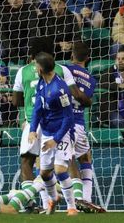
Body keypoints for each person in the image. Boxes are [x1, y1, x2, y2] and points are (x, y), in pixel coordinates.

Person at [12, 37, 91, 210]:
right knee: (68, 162)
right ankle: (78, 199)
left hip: (33, 120)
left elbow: (15, 101)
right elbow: (75, 94)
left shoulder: (22, 71)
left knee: (27, 162)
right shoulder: (62, 70)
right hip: (57, 121)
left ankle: (35, 204)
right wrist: (88, 101)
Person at [29, 52, 77, 216]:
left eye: (36, 65)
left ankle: (72, 207)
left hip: (62, 133)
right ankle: (53, 198)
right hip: (47, 133)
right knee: (44, 173)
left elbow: (69, 118)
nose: (35, 67)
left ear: (41, 68)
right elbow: (37, 109)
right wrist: (32, 130)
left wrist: (56, 140)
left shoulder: (60, 89)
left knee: (60, 170)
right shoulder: (42, 83)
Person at [64, 43, 105, 213]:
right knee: (86, 158)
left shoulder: (65, 70)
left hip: (63, 121)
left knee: (68, 161)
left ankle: (78, 200)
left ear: (72, 55)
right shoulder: (91, 79)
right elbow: (85, 101)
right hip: (79, 123)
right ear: (88, 58)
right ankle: (86, 198)